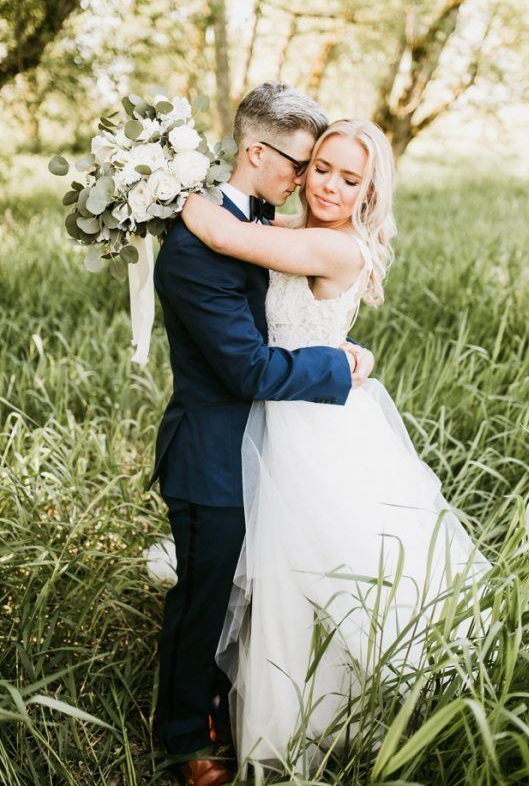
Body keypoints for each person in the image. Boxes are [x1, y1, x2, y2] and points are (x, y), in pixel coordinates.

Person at [181, 117, 493, 779]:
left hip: (310, 425)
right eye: (320, 167)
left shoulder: (339, 249)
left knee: (310, 567)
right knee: (281, 567)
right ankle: (257, 702)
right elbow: (260, 234)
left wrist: (168, 186)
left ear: (369, 190)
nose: (328, 185)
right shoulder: (304, 232)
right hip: (283, 405)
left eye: (349, 178)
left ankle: (310, 720)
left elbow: (227, 234)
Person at [146, 83, 374, 786]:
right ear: (255, 152)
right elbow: (246, 367)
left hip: (277, 448)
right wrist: (336, 364)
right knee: (205, 598)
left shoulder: (260, 224)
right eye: (303, 165)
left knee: (275, 588)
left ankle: (257, 698)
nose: (310, 181)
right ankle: (186, 737)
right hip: (214, 453)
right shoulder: (196, 248)